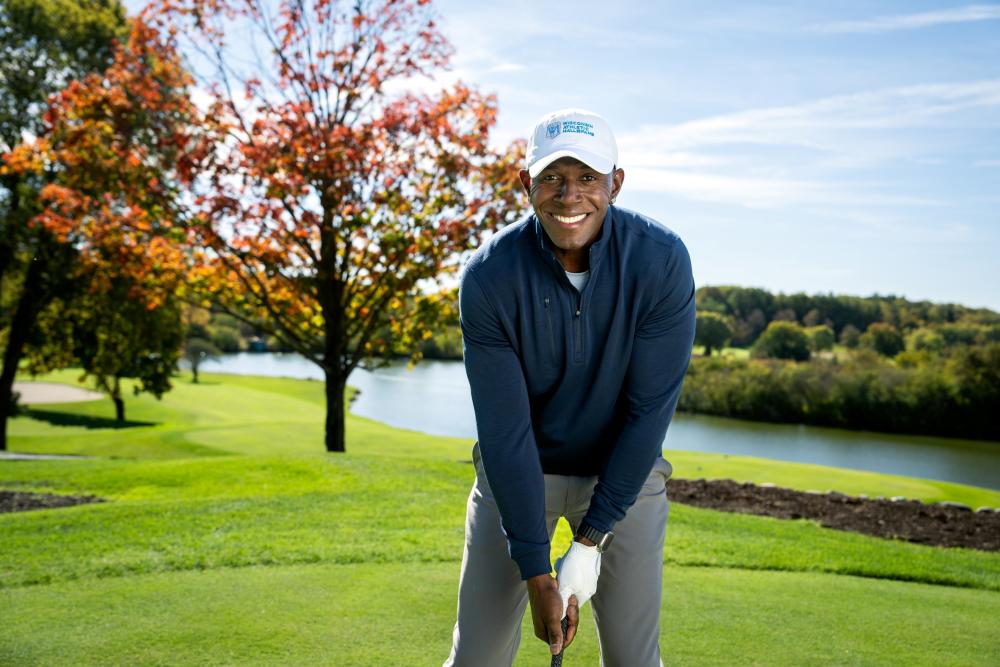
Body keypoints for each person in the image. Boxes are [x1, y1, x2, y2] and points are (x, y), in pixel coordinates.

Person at [443, 109, 696, 667]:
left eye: (587, 178)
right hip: (520, 470)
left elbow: (647, 412)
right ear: (525, 184)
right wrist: (538, 572)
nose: (569, 195)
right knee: (476, 659)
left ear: (616, 184)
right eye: (552, 178)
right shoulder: (488, 276)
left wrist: (589, 540)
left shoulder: (661, 260)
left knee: (634, 659)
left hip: (621, 472)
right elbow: (506, 435)